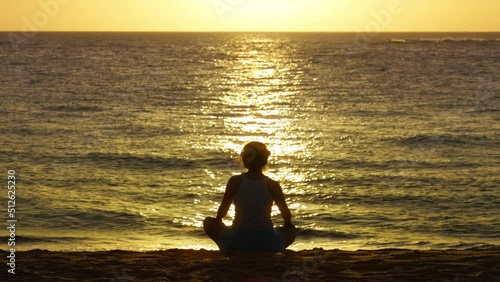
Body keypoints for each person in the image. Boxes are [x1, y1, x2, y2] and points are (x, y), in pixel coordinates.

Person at [203, 141, 296, 252]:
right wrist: (286, 226)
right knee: (291, 231)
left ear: (245, 160)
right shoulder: (273, 185)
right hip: (268, 244)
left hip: (236, 243)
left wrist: (219, 222)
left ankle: (225, 246)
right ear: (264, 160)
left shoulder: (235, 181)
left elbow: (222, 212)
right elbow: (286, 215)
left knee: (209, 222)